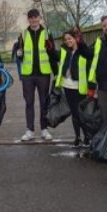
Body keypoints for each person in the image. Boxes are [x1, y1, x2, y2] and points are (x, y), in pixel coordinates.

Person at [17, 9, 58, 141]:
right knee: (29, 102)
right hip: (28, 74)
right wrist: (19, 53)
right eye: (31, 18)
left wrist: (56, 73)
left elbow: (52, 54)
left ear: (40, 18)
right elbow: (20, 52)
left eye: (36, 17)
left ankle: (44, 130)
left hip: (43, 73)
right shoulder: (23, 34)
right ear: (28, 20)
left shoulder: (47, 33)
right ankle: (30, 130)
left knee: (44, 102)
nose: (34, 20)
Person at [53, 29, 93, 146]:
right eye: (65, 40)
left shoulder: (83, 51)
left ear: (76, 38)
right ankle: (77, 137)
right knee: (74, 114)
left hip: (80, 87)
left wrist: (92, 86)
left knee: (81, 113)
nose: (67, 41)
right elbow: (55, 56)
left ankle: (87, 137)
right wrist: (49, 49)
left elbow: (90, 67)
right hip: (67, 86)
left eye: (69, 38)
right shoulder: (65, 51)